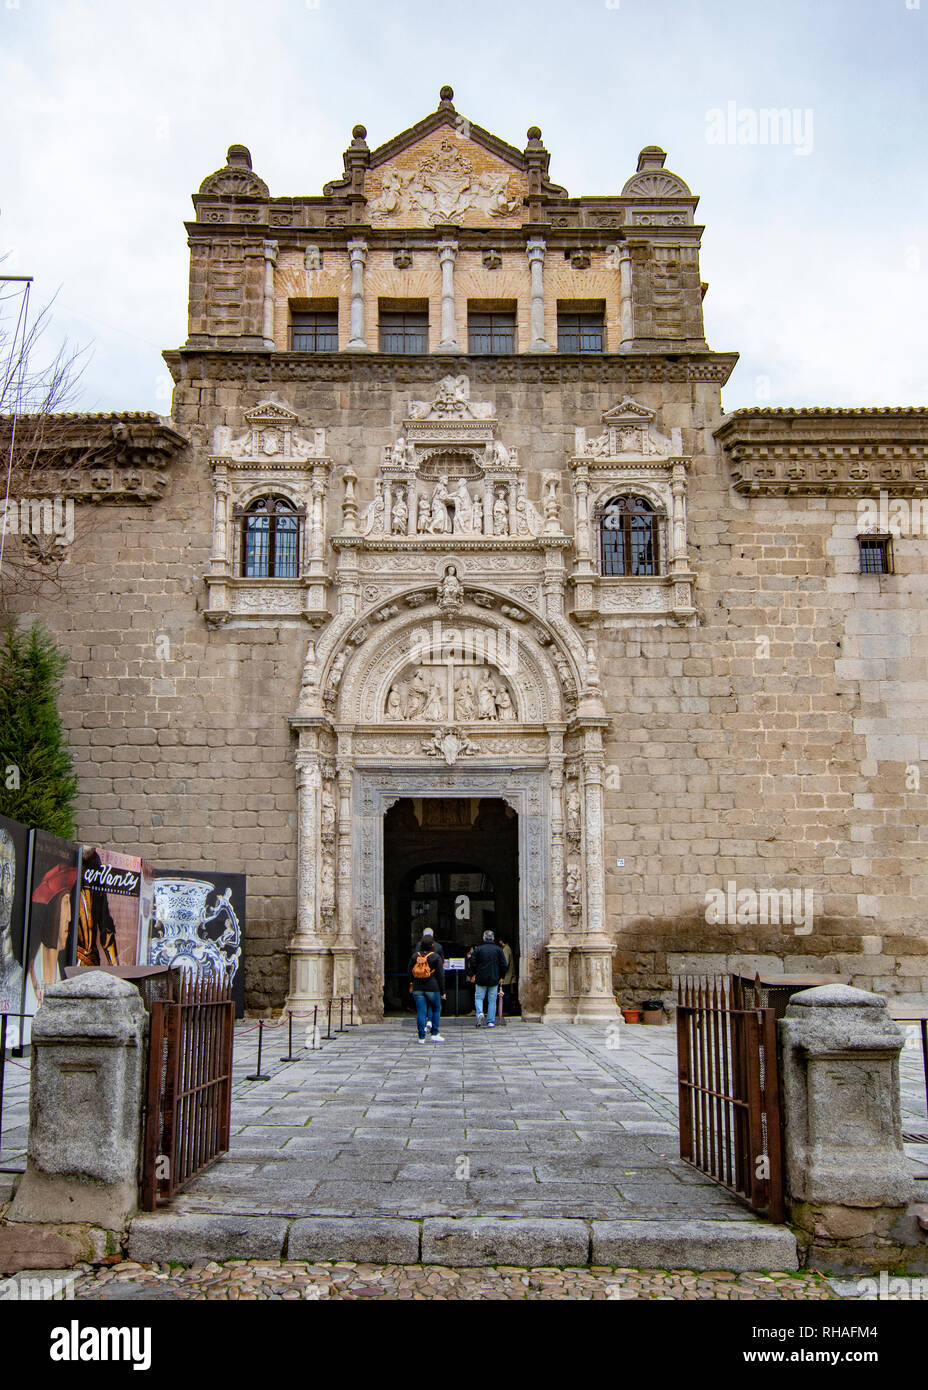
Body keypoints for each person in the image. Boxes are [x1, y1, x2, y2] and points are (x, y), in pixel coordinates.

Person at [408, 935, 445, 1042]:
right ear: (432, 945)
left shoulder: (415, 956)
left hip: (418, 987)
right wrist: (442, 991)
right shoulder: (435, 957)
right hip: (432, 987)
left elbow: (409, 971)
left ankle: (421, 1037)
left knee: (421, 1011)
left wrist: (412, 983)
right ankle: (434, 1033)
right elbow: (440, 976)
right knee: (436, 1009)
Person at [470, 929, 507, 1029]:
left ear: (483, 938)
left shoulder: (478, 949)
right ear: (493, 938)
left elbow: (472, 962)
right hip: (494, 978)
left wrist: (474, 973)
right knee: (492, 1000)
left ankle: (480, 1013)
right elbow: (504, 964)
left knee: (478, 998)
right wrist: (502, 976)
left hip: (481, 977)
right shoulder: (498, 950)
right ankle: (490, 1021)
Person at [499, 935, 516, 1017]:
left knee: (506, 993)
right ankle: (506, 1009)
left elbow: (505, 963)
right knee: (506, 992)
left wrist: (502, 975)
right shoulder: (507, 948)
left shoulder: (506, 949)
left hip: (506, 975)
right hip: (507, 975)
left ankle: (506, 1010)